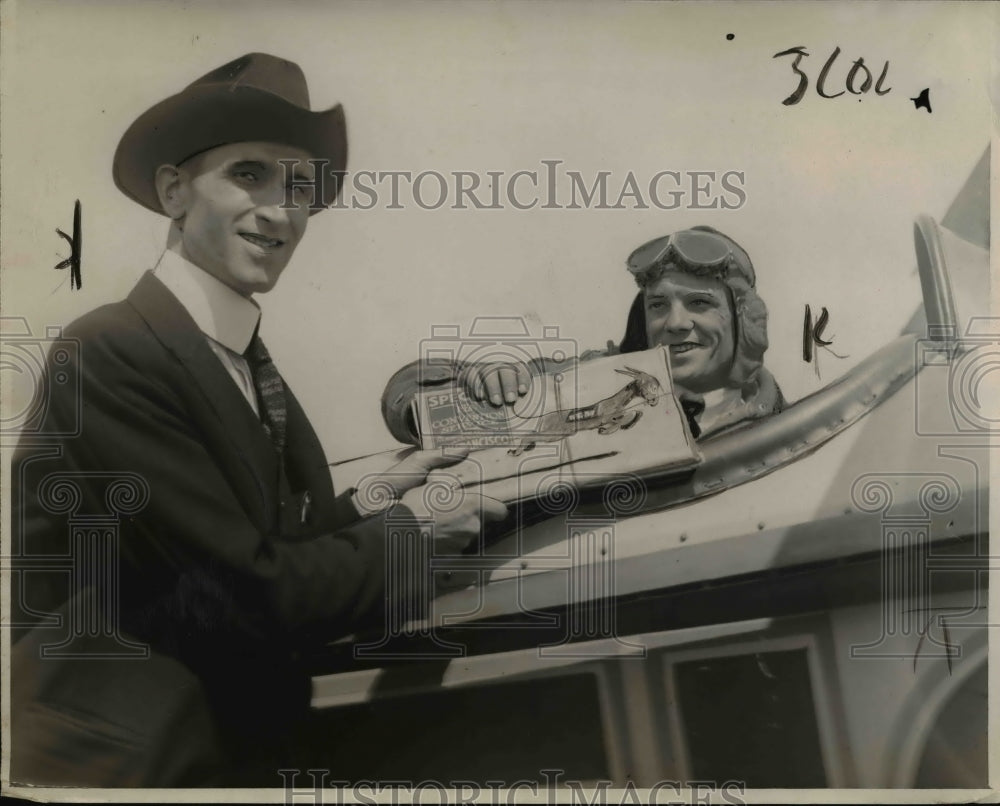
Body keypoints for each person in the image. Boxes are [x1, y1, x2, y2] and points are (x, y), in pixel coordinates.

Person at [10, 53, 505, 787]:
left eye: (300, 186)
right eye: (250, 174)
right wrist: (411, 536)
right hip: (129, 771)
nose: (281, 210)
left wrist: (381, 493)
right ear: (174, 191)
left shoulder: (236, 355)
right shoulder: (109, 351)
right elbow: (239, 595)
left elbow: (257, 543)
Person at [382, 226, 784, 443]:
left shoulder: (777, 422)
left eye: (699, 303)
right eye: (658, 305)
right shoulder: (594, 379)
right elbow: (406, 388)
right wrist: (480, 378)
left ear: (743, 319)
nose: (675, 323)